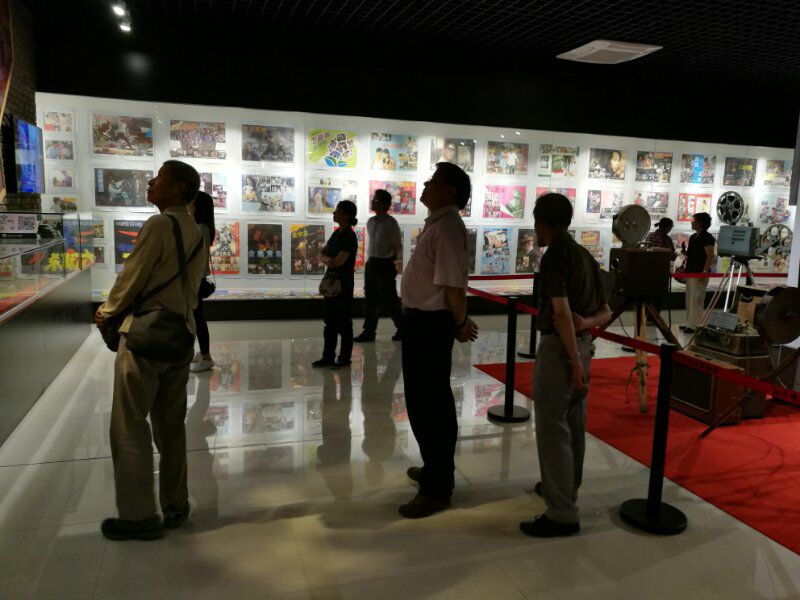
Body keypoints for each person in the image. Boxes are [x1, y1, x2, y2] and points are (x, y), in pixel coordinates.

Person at [94, 160, 207, 541]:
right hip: (179, 336)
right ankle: (176, 504)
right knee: (171, 427)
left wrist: (108, 311)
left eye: (158, 178)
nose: (151, 183)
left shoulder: (159, 224)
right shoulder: (197, 230)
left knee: (129, 423)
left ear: (178, 187)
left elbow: (133, 275)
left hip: (145, 337)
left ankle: (139, 515)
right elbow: (192, 290)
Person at [521, 193, 611, 538]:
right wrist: (584, 326)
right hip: (582, 346)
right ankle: (565, 490)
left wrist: (572, 362)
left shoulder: (556, 255)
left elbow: (560, 313)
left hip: (562, 351)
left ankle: (561, 513)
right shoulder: (584, 255)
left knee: (553, 429)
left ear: (542, 222)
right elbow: (605, 311)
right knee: (573, 426)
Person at [399, 162, 479, 519]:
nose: (425, 185)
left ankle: (438, 487)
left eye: (432, 181)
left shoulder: (447, 227)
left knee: (431, 406)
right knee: (422, 402)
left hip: (431, 325)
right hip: (422, 322)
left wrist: (460, 323)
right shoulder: (438, 224)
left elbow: (453, 287)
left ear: (449, 192)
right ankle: (434, 468)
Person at [312, 200, 358, 369]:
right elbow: (323, 254)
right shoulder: (337, 233)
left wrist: (327, 259)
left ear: (345, 215)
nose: (333, 213)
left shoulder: (349, 236)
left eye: (337, 210)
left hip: (343, 284)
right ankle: (328, 357)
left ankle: (344, 358)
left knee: (344, 323)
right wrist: (327, 259)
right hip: (332, 283)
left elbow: (337, 262)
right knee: (329, 322)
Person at [354, 189, 404, 343]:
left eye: (375, 200)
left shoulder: (391, 223)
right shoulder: (371, 222)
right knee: (370, 299)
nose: (372, 202)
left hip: (385, 264)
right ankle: (369, 331)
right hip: (372, 263)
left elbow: (397, 245)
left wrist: (395, 263)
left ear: (384, 204)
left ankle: (403, 328)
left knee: (390, 299)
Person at [190, 191, 215, 373]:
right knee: (197, 317)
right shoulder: (204, 227)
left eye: (191, 202)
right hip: (197, 277)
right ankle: (203, 353)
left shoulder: (199, 228)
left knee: (197, 318)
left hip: (195, 279)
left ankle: (206, 356)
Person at [680, 212, 715, 333]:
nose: (692, 223)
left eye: (694, 221)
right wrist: (684, 251)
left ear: (700, 223)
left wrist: (705, 271)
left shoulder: (707, 237)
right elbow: (690, 255)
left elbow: (710, 256)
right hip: (691, 271)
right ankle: (688, 322)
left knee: (697, 298)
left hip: (699, 272)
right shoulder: (694, 237)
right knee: (689, 298)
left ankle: (694, 324)